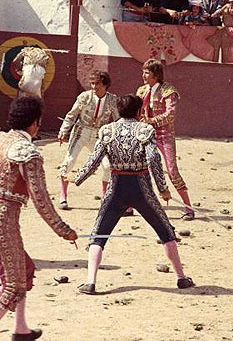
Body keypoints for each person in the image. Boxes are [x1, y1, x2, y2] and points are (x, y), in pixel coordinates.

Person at [74, 95, 195, 294]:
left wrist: (78, 178)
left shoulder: (107, 130)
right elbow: (153, 159)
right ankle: (181, 278)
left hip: (116, 187)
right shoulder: (145, 130)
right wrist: (162, 187)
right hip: (141, 187)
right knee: (165, 231)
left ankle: (90, 281)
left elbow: (94, 160)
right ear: (139, 111)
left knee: (99, 234)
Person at [0, 97, 77, 340]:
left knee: (24, 271)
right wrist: (63, 229)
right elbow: (40, 198)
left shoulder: (2, 140)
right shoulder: (28, 152)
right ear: (35, 124)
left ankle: (20, 329)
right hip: (3, 220)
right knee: (13, 284)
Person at [136, 59, 194, 220]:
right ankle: (129, 206)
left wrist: (151, 121)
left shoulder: (168, 91)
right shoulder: (141, 91)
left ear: (156, 75)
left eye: (147, 72)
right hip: (145, 134)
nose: (143, 75)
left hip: (164, 135)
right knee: (135, 168)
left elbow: (171, 114)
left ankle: (189, 208)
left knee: (172, 170)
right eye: (143, 71)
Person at [58, 71, 119, 210]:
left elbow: (118, 120)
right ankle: (63, 196)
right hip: (80, 133)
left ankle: (104, 197)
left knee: (108, 166)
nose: (94, 86)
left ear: (105, 85)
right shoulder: (84, 97)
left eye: (97, 83)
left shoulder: (112, 100)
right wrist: (63, 131)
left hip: (99, 135)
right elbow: (71, 115)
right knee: (69, 161)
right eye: (92, 83)